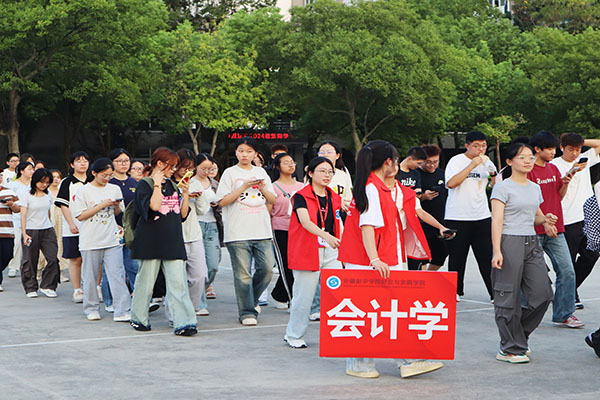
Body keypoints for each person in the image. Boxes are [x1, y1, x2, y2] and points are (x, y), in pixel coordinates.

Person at [338, 140, 443, 379]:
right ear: (388, 162)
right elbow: (367, 227)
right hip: (373, 260)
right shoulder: (373, 188)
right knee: (377, 310)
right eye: (395, 160)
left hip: (379, 257)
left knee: (380, 310)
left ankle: (399, 360)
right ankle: (373, 362)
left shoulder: (377, 187)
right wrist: (375, 259)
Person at [490, 143, 555, 364]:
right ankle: (509, 348)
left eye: (530, 157)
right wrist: (497, 250)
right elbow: (497, 220)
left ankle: (517, 337)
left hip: (531, 242)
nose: (528, 161)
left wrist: (545, 219)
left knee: (543, 294)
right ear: (509, 161)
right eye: (522, 157)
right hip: (509, 241)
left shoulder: (534, 188)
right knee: (507, 297)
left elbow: (535, 216)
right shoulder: (502, 188)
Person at [129, 147, 197, 336]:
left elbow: (182, 215)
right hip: (149, 241)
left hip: (173, 240)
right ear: (160, 163)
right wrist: (157, 184)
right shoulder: (145, 185)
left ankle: (185, 323)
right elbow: (154, 206)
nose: (174, 170)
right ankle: (138, 318)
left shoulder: (173, 185)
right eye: (171, 166)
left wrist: (185, 194)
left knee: (178, 284)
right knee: (145, 283)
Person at [217, 137, 277, 326]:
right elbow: (222, 201)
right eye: (241, 150)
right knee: (242, 275)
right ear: (236, 152)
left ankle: (251, 301)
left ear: (255, 154)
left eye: (249, 151)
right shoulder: (229, 173)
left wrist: (262, 188)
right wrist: (243, 187)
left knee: (267, 270)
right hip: (237, 232)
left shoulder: (261, 172)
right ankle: (246, 312)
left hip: (262, 231)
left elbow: (273, 200)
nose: (244, 154)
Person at [284, 156, 342, 348]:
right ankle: (294, 335)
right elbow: (305, 221)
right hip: (307, 251)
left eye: (330, 172)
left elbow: (338, 221)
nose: (327, 175)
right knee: (304, 296)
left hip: (331, 251)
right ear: (310, 173)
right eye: (322, 171)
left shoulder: (334, 197)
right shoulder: (301, 196)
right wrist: (326, 235)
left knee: (336, 292)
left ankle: (339, 334)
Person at [527, 131, 583, 328]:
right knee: (532, 275)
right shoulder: (529, 170)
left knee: (567, 271)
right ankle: (523, 312)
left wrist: (565, 183)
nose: (553, 152)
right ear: (537, 149)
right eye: (549, 149)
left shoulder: (553, 169)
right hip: (534, 230)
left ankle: (564, 314)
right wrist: (544, 222)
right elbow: (530, 201)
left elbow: (558, 196)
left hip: (556, 229)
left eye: (553, 148)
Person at [73, 158, 131, 322]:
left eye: (110, 175)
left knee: (117, 275)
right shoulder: (84, 191)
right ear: (94, 173)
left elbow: (118, 213)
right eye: (104, 175)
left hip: (112, 238)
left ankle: (122, 310)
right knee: (90, 277)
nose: (107, 178)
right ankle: (91, 308)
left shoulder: (114, 188)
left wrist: (115, 206)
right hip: (90, 240)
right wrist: (101, 205)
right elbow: (80, 215)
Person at [444, 131, 497, 302]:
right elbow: (451, 183)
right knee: (457, 256)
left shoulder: (487, 162)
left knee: (486, 256)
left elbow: (496, 187)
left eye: (483, 145)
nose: (480, 149)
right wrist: (472, 165)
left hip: (481, 215)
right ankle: (455, 291)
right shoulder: (456, 161)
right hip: (458, 216)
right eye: (476, 146)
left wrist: (493, 175)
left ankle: (494, 292)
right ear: (467, 146)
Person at [550, 133, 600, 310]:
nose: (574, 153)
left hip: (587, 218)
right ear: (561, 148)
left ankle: (569, 289)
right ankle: (570, 295)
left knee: (592, 255)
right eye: (571, 149)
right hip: (567, 218)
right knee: (568, 262)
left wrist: (582, 142)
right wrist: (571, 172)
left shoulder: (585, 159)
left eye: (577, 149)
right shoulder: (554, 165)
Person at [167, 149, 208, 318]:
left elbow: (202, 210)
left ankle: (191, 310)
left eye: (191, 168)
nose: (187, 171)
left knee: (199, 276)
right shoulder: (167, 184)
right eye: (184, 167)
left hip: (194, 235)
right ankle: (174, 315)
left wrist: (197, 197)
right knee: (176, 280)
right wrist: (184, 196)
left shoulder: (195, 183)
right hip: (174, 237)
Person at [270, 153, 304, 308]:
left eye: (292, 162)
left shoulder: (302, 186)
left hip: (299, 229)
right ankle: (291, 299)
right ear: (277, 166)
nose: (291, 165)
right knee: (285, 264)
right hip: (280, 229)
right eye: (286, 162)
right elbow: (269, 211)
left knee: (296, 264)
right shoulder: (273, 187)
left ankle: (279, 294)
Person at [20, 168, 60, 298]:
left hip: (47, 229)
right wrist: (24, 233)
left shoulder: (48, 194)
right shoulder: (27, 195)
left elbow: (47, 211)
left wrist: (50, 224)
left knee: (53, 258)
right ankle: (30, 287)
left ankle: (48, 285)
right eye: (42, 182)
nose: (44, 185)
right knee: (30, 260)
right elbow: (23, 215)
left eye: (47, 182)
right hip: (31, 230)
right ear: (35, 181)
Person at [194, 153, 222, 311]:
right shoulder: (189, 183)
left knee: (213, 265)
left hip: (212, 224)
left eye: (209, 169)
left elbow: (223, 202)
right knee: (197, 266)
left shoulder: (215, 184)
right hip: (195, 224)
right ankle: (200, 302)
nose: (206, 172)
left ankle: (199, 290)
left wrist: (217, 204)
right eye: (203, 168)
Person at [417, 145, 449, 271]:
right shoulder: (416, 174)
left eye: (435, 162)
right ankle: (421, 278)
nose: (432, 165)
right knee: (422, 256)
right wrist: (423, 196)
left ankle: (429, 276)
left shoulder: (442, 174)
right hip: (421, 222)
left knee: (442, 253)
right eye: (428, 162)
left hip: (440, 221)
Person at [5, 161, 35, 278]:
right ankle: (14, 266)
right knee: (17, 243)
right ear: (22, 171)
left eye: (32, 169)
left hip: (32, 218)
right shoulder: (13, 185)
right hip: (16, 218)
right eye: (29, 169)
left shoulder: (34, 184)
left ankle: (31, 266)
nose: (32, 171)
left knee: (32, 243)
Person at [317, 141, 353, 211]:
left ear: (337, 155)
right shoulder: (313, 173)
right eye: (321, 152)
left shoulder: (343, 173)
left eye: (329, 152)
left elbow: (348, 196)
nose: (325, 155)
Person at [0, 179, 20, 292]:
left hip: (7, 230)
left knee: (8, 254)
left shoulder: (9, 192)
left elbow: (18, 209)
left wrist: (11, 204)